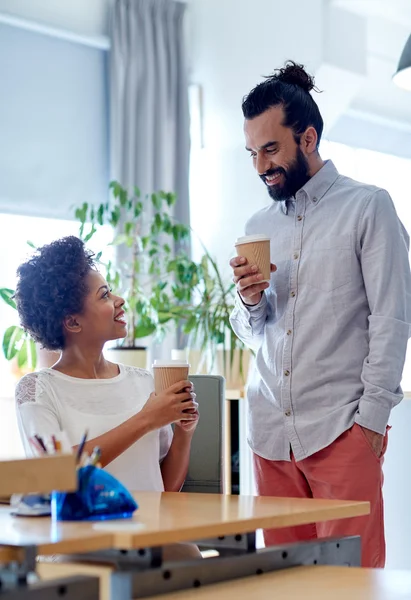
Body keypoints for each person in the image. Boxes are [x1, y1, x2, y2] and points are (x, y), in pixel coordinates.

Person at [229, 61, 411, 568]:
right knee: (284, 585)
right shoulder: (257, 224)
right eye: (252, 152)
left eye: (270, 149)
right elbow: (255, 332)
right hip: (270, 438)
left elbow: (392, 319)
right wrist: (248, 301)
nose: (260, 166)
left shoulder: (369, 207)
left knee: (350, 586)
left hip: (341, 432)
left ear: (307, 138)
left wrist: (370, 424)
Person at [15, 236, 199, 497]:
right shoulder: (37, 391)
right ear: (72, 322)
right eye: (104, 296)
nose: (119, 299)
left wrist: (184, 433)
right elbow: (56, 476)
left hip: (153, 534)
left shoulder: (145, 382)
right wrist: (146, 420)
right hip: (87, 536)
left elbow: (166, 488)